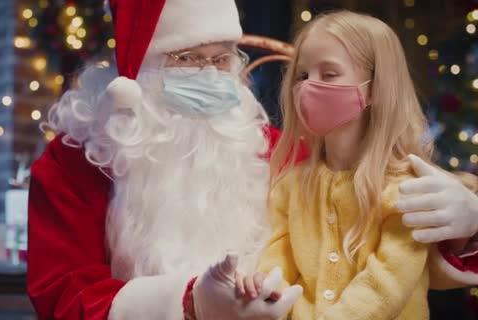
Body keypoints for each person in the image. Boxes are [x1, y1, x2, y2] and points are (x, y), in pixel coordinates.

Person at [27, 1, 478, 319]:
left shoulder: (280, 152)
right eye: (186, 59)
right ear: (140, 69)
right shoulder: (77, 162)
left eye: (221, 59)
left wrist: (466, 227)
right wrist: (190, 305)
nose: (209, 74)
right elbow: (63, 297)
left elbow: (369, 235)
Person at [236, 10, 478, 319]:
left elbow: (387, 283)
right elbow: (276, 261)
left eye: (329, 74)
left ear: (375, 88)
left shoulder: (409, 188)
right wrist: (266, 293)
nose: (309, 86)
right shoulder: (289, 186)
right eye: (302, 75)